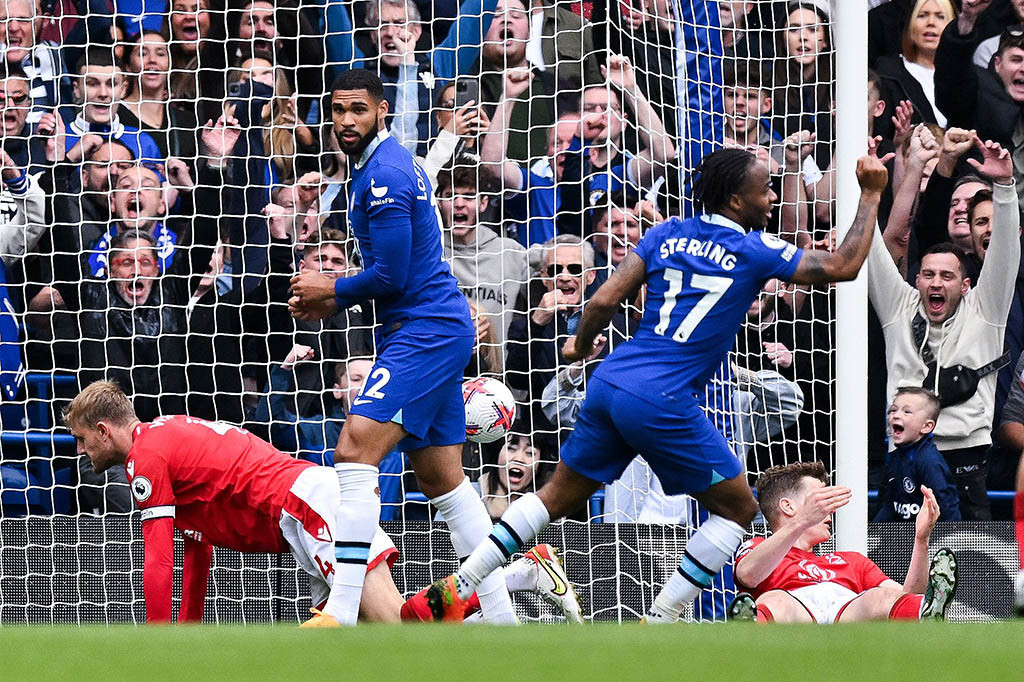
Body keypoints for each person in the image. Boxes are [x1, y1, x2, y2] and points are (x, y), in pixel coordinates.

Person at [423, 145, 891, 623]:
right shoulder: (754, 249)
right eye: (765, 188)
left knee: (556, 497)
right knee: (738, 509)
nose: (773, 197)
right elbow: (844, 265)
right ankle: (661, 619)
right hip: (662, 397)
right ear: (735, 200)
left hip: (611, 381)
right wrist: (871, 194)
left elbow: (603, 299)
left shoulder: (666, 234)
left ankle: (459, 585)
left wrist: (579, 345)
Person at [287, 68, 517, 626]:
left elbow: (390, 275)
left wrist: (330, 290)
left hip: (425, 330)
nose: (346, 121)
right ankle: (504, 615)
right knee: (442, 479)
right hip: (427, 327)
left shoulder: (385, 175)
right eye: (338, 110)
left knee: (353, 452)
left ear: (382, 110)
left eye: (358, 110)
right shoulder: (385, 164)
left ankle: (341, 611)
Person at [64, 380, 579, 625]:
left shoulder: (147, 458)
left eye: (84, 441)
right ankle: (519, 577)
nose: (84, 453)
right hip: (308, 508)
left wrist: (155, 642)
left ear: (104, 430)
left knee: (399, 628)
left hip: (308, 506)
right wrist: (184, 637)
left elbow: (158, 558)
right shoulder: (167, 440)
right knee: (383, 635)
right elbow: (195, 551)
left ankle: (521, 573)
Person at [868, 136, 1018, 520]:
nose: (936, 282)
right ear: (917, 280)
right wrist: (867, 192)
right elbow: (873, 249)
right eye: (928, 274)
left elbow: (1004, 250)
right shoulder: (898, 306)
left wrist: (1004, 187)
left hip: (967, 462)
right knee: (899, 559)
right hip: (904, 459)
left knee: (968, 561)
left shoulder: (986, 309)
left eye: (947, 276)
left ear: (965, 285)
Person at [729, 461, 957, 623]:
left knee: (879, 597)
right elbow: (748, 575)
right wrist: (802, 520)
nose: (829, 510)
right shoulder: (759, 548)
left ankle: (926, 614)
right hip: (797, 621)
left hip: (845, 619)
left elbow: (906, 596)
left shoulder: (852, 561)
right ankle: (750, 627)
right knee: (775, 600)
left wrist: (921, 539)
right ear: (788, 507)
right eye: (821, 500)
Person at [874, 387, 961, 522]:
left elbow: (944, 509)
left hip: (931, 534)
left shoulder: (929, 462)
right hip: (903, 533)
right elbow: (889, 505)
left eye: (907, 412)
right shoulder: (895, 457)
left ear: (927, 427)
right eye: (893, 410)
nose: (896, 415)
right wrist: (874, 531)